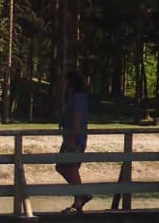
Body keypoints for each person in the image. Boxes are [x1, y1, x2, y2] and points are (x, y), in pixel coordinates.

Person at [56, 70, 91, 213]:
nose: (63, 83)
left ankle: (80, 197)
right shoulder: (73, 97)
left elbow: (77, 120)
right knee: (63, 167)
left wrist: (71, 141)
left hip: (75, 140)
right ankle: (80, 198)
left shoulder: (79, 98)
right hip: (69, 138)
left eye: (65, 80)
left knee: (69, 167)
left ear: (71, 82)